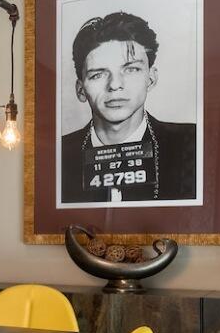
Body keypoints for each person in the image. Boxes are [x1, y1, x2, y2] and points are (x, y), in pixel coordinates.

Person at [59, 11, 197, 203]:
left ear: (151, 78)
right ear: (81, 89)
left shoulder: (192, 144)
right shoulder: (58, 155)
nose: (115, 85)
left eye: (131, 69)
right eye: (98, 74)